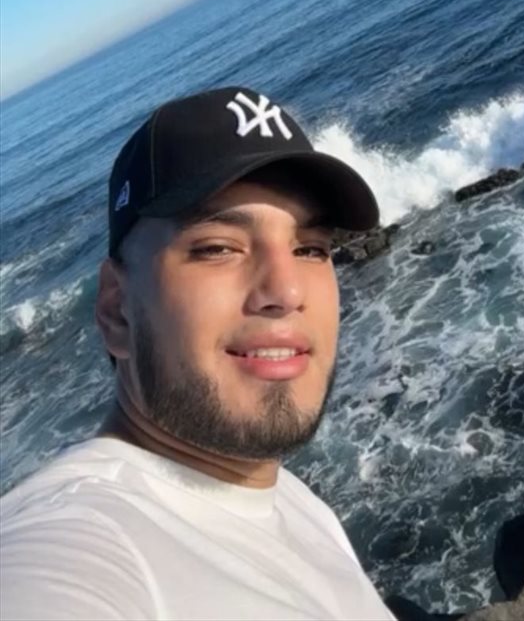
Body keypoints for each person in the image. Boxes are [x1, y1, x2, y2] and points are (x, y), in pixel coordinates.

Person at [0, 87, 397, 621]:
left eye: (310, 248)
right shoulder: (78, 541)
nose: (287, 290)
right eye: (217, 248)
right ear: (117, 311)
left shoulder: (294, 502)